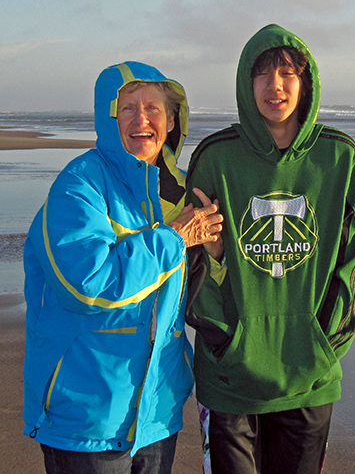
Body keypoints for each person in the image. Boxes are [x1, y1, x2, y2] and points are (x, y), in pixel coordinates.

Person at [185, 24, 355, 474]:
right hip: (228, 377)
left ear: (305, 83)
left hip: (308, 375)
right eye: (263, 75)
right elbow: (193, 264)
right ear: (245, 83)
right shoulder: (215, 158)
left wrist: (321, 346)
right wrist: (228, 345)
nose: (275, 86)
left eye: (288, 74)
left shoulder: (339, 159)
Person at [23, 61, 223, 474]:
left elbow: (201, 293)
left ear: (171, 121)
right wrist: (175, 238)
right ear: (107, 116)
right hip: (88, 416)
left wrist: (216, 252)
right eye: (127, 108)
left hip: (156, 413)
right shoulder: (79, 187)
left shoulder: (184, 192)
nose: (141, 119)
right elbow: (89, 286)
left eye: (153, 108)